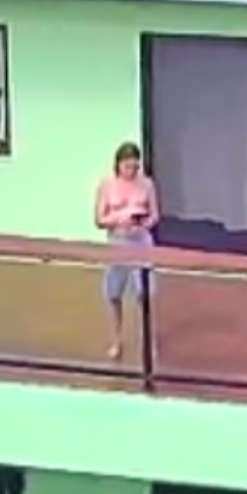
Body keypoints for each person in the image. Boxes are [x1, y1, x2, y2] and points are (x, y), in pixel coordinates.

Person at [95, 140, 158, 360]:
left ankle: (148, 341)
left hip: (140, 242)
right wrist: (118, 218)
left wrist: (142, 223)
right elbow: (99, 219)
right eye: (127, 167)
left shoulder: (147, 184)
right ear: (118, 165)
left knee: (144, 294)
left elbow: (155, 216)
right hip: (117, 243)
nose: (131, 171)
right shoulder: (107, 185)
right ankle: (116, 340)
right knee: (113, 294)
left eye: (135, 167)